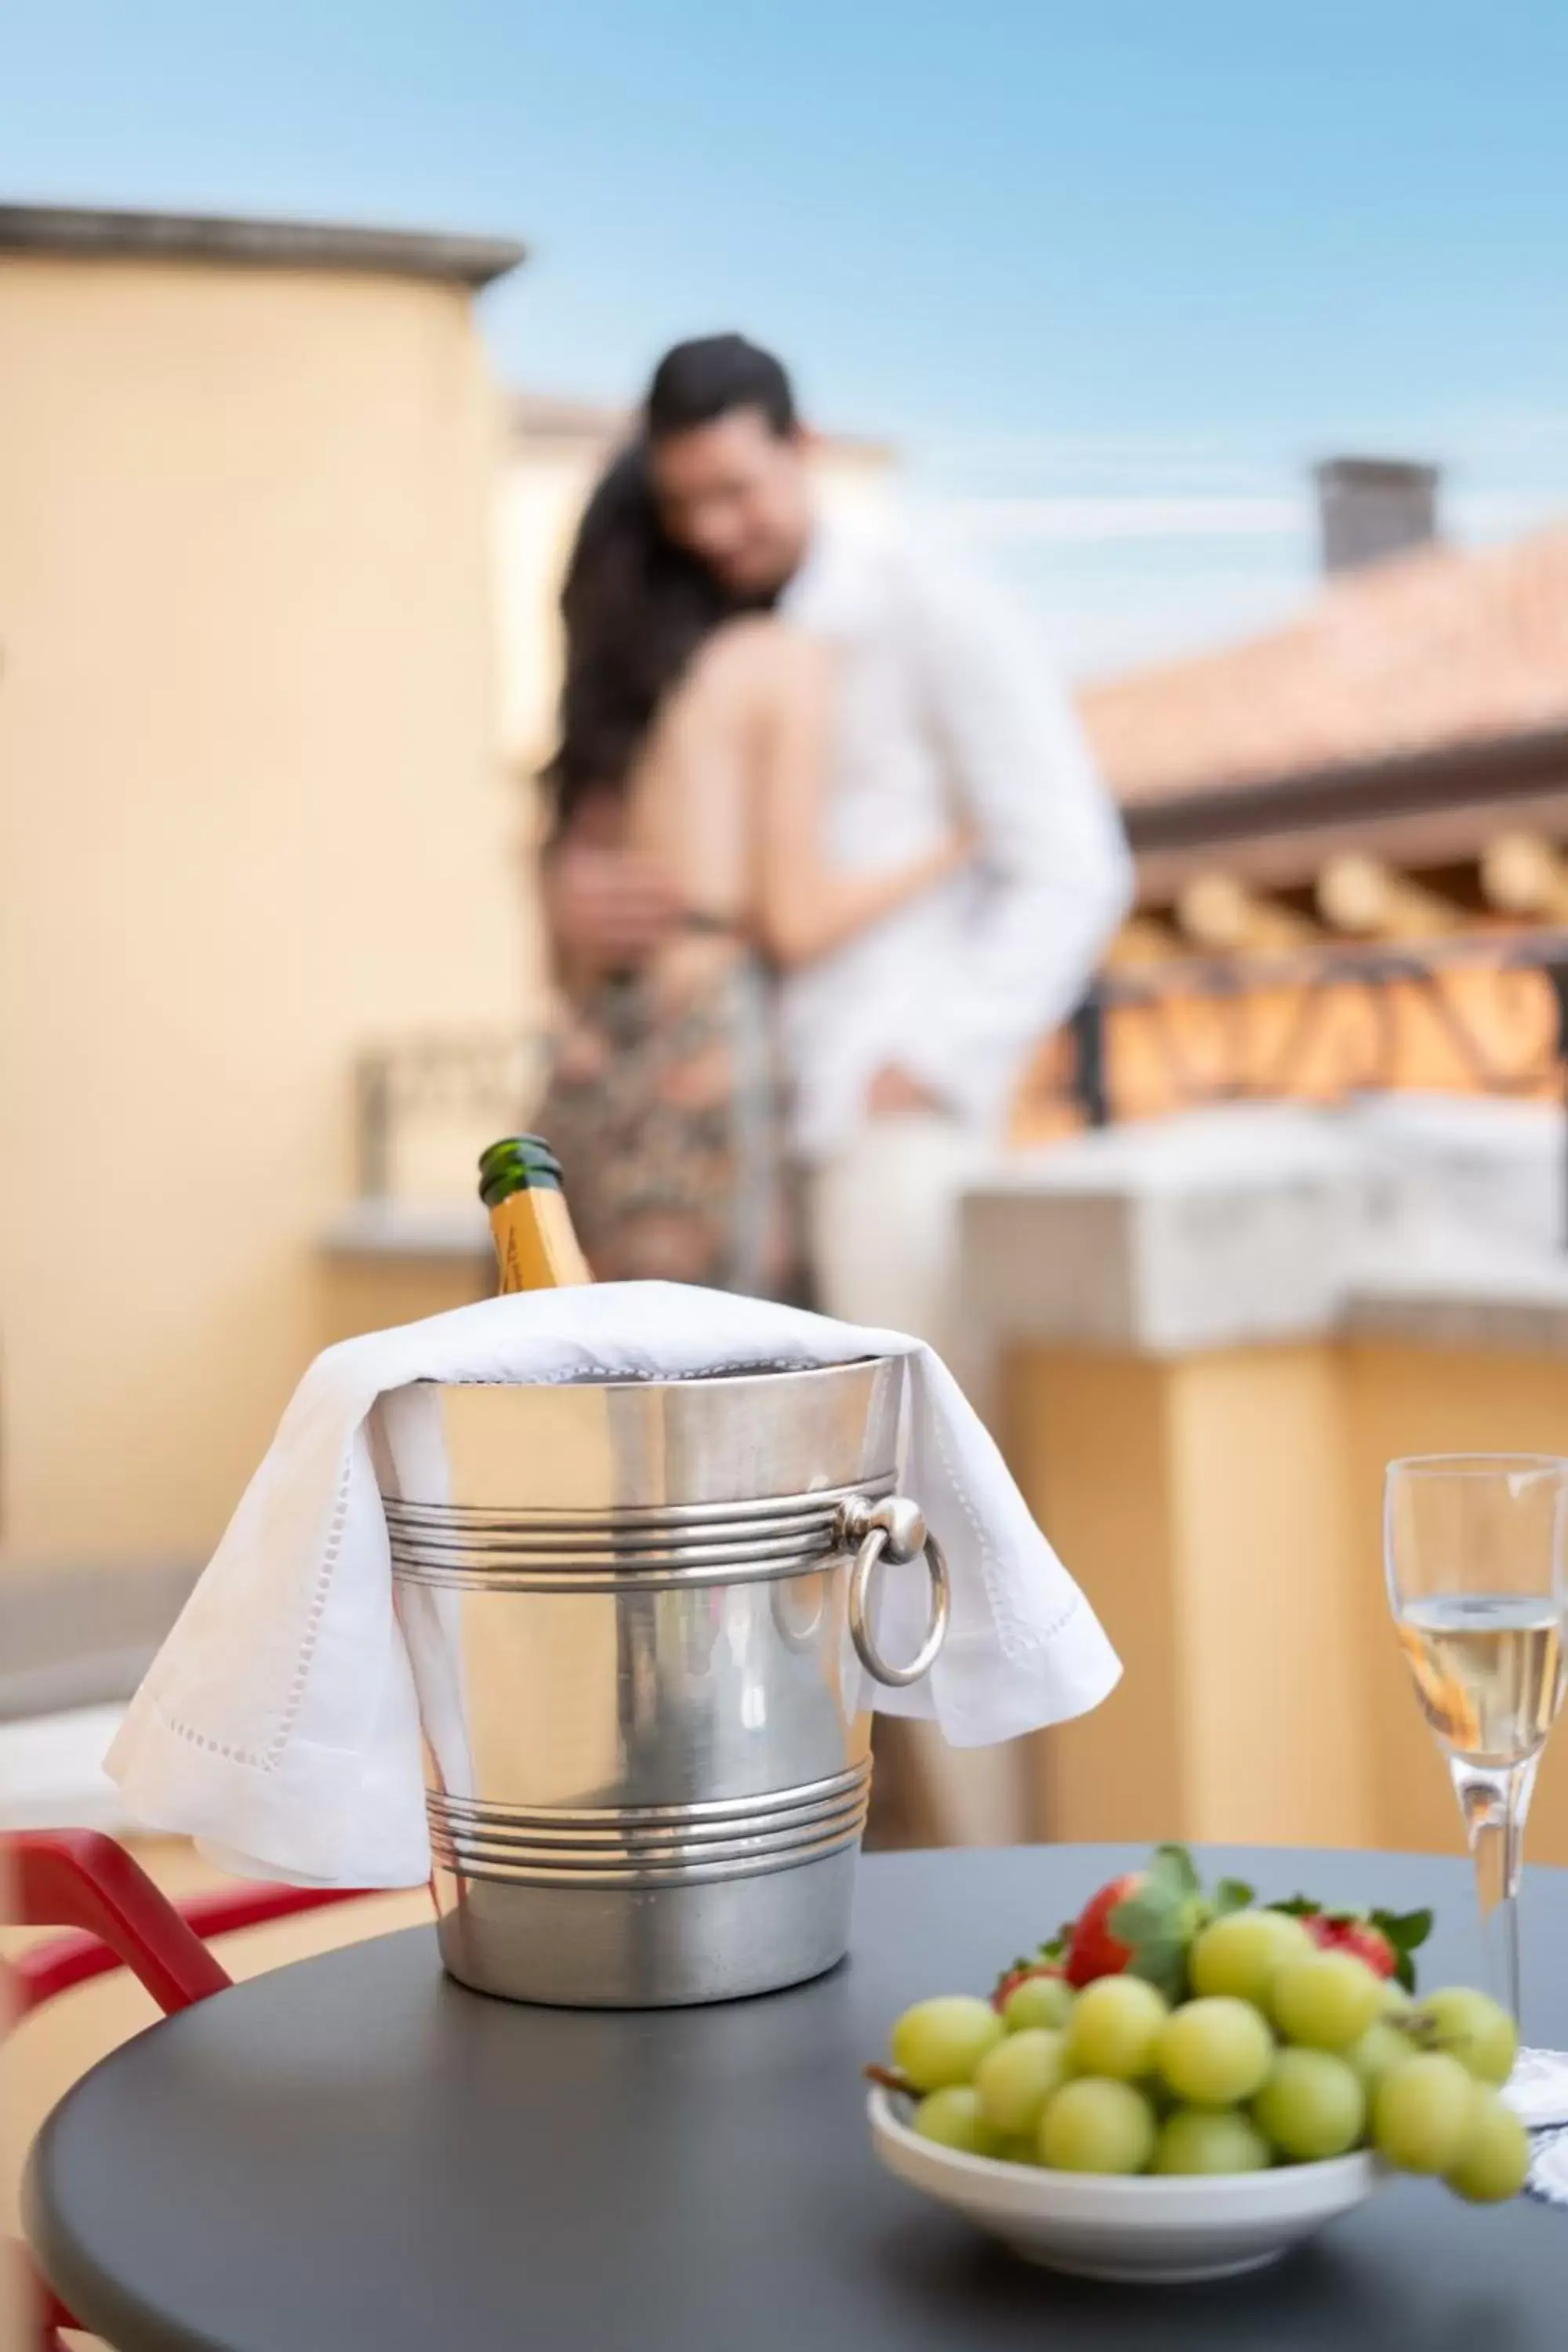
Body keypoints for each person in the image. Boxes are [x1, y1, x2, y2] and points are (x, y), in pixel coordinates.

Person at [539, 336, 1132, 1843]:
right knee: (792, 1541)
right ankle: (844, 1869)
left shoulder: (927, 596)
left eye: (740, 488)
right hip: (748, 1131)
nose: (720, 526)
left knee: (921, 1520)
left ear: (797, 446)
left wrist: (922, 1065)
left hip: (876, 1132)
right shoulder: (748, 639)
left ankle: (994, 1878)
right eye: (691, 505)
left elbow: (1070, 856)